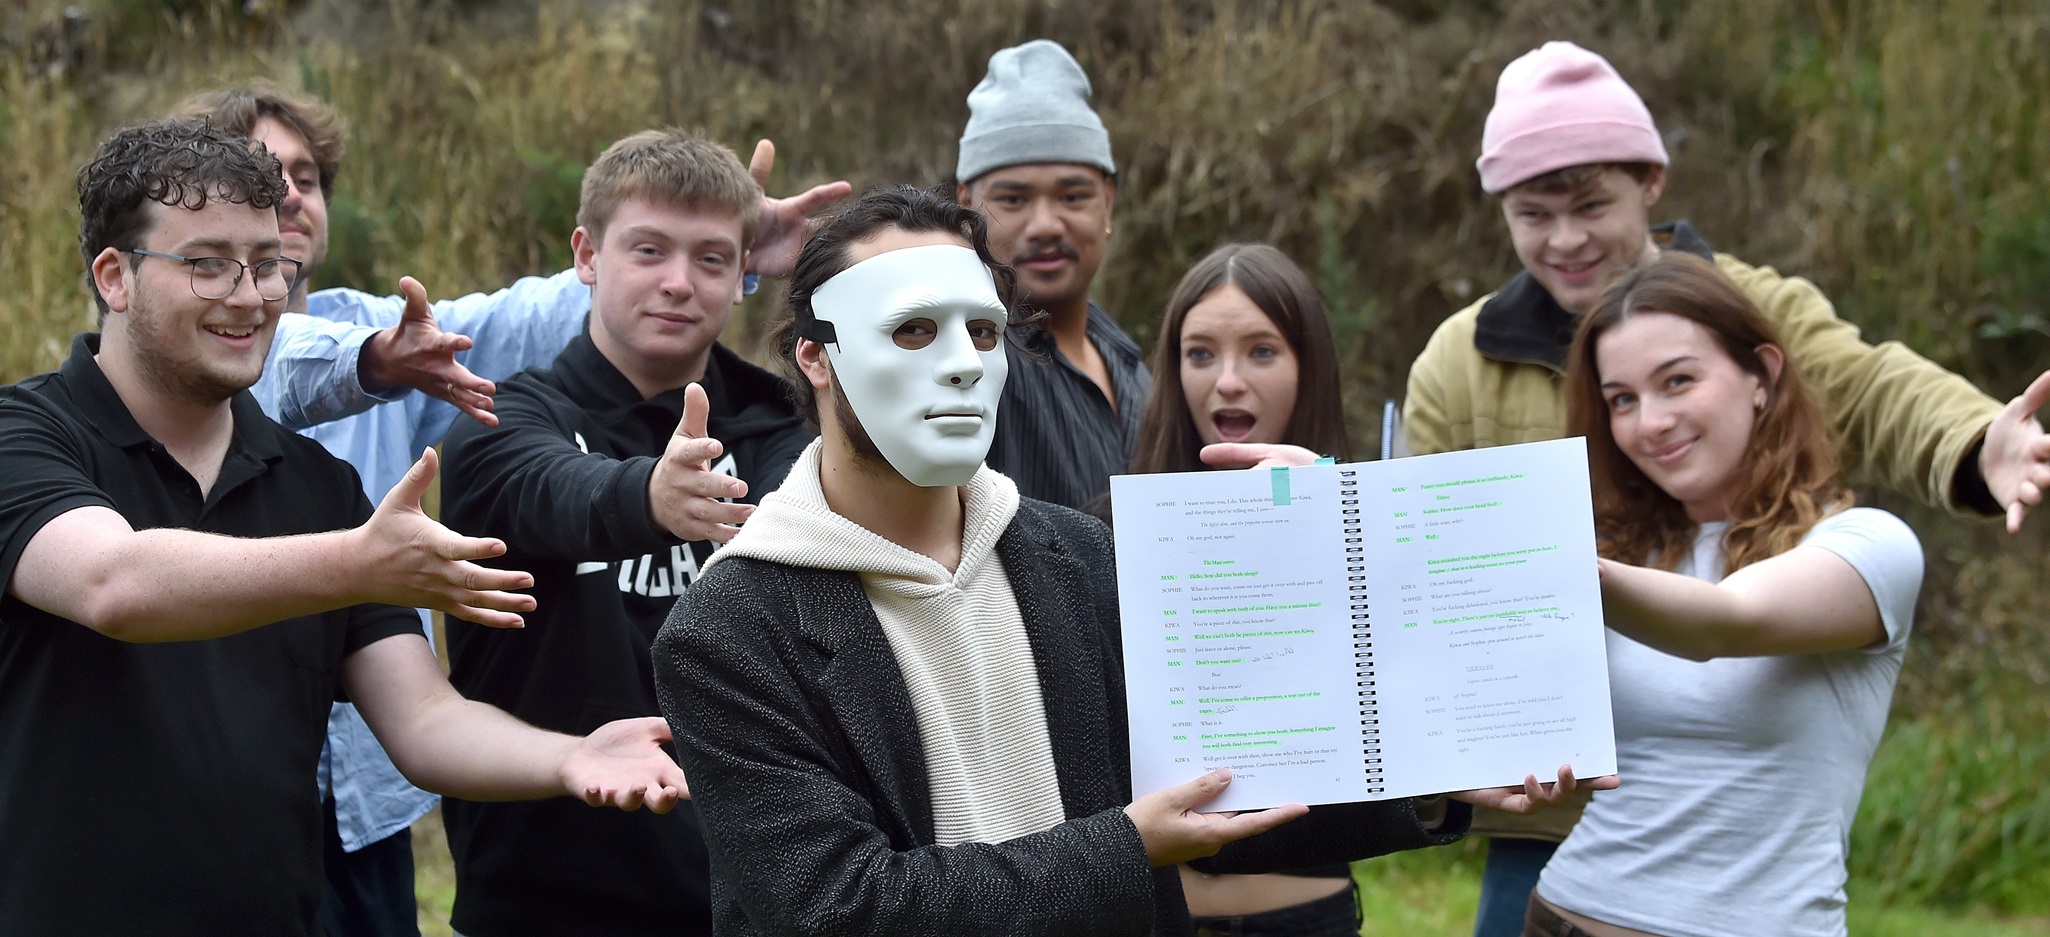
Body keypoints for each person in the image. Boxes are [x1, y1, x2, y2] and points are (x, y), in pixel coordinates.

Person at [651, 185, 1601, 936]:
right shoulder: (731, 631)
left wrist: (1430, 777)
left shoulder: (1079, 559)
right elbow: (837, 907)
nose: (957, 364)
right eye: (909, 330)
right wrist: (1123, 848)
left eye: (982, 332)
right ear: (815, 357)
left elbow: (1219, 794)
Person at [1383, 41, 2050, 937]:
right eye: (1534, 214)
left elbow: (1881, 386)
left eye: (1589, 204)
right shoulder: (1457, 361)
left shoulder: (1750, 309)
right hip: (1548, 828)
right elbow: (1427, 575)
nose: (1566, 239)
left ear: (1650, 183)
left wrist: (1980, 442)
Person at [175, 83, 847, 937]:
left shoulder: (399, 334)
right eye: (261, 175)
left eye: (305, 175)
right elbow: (270, 359)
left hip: (375, 791)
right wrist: (379, 361)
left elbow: (556, 305)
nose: (290, 196)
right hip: (237, 786)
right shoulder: (356, 348)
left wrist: (734, 252)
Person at [0, 117, 685, 937]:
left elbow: (424, 720)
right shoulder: (25, 437)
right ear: (115, 275)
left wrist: (567, 756)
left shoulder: (320, 487)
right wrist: (360, 561)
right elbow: (113, 583)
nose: (251, 298)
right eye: (209, 265)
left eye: (268, 267)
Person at [436, 128, 816, 937]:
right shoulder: (500, 418)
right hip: (546, 897)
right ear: (586, 254)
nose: (679, 283)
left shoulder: (785, 416)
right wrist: (649, 494)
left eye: (713, 259)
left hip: (753, 895)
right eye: (648, 250)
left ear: (744, 274)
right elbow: (548, 488)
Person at [1525, 251, 1921, 936]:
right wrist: (1340, 499)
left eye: (1677, 381)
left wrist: (1548, 561)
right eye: (1623, 398)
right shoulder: (1624, 550)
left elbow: (1725, 623)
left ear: (1762, 375)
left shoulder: (1868, 546)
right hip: (1564, 913)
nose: (1650, 421)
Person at [1129, 243, 1369, 934]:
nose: (1227, 381)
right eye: (1200, 353)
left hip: (1304, 915)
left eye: (1261, 352)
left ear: (1308, 366)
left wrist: (1335, 511)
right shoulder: (1105, 533)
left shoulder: (1361, 527)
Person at [956, 39, 1153, 509]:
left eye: (1072, 197)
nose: (1045, 225)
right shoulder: (965, 362)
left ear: (1109, 199)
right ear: (966, 204)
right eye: (1013, 199)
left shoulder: (1132, 364)